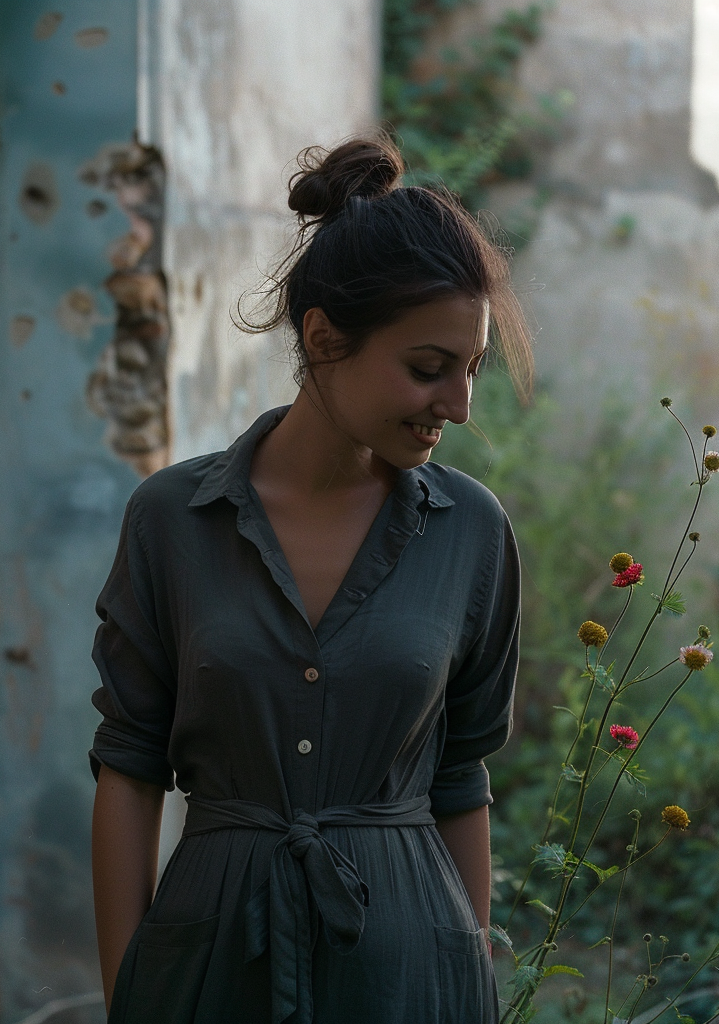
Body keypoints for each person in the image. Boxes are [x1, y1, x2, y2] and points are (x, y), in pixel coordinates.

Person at [89, 132, 533, 1024]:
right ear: (324, 339)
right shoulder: (172, 520)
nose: (460, 406)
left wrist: (466, 979)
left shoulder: (471, 532)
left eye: (472, 368)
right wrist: (130, 992)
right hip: (211, 970)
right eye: (427, 368)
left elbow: (460, 780)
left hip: (409, 977)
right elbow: (129, 771)